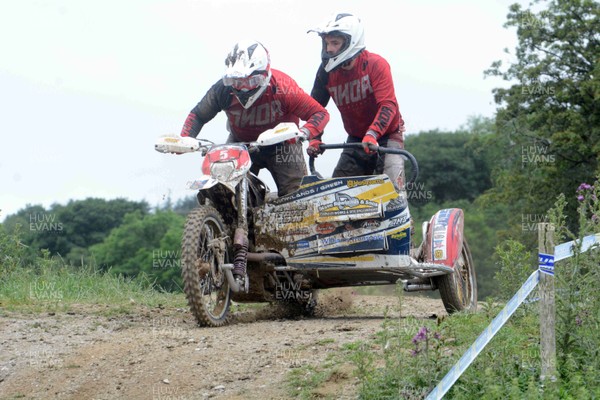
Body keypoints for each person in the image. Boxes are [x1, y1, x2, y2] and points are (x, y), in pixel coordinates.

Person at [180, 39, 329, 197]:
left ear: (264, 74)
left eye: (251, 80)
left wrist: (305, 132)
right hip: (240, 144)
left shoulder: (283, 87)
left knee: (297, 197)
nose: (243, 87)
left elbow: (320, 113)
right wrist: (185, 139)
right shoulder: (222, 89)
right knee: (223, 191)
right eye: (236, 81)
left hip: (284, 144)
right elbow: (198, 115)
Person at [307, 13, 406, 192]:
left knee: (392, 193)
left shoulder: (376, 64)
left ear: (351, 42)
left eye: (335, 43)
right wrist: (315, 138)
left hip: (388, 136)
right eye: (326, 43)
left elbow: (388, 105)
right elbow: (315, 109)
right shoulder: (325, 72)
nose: (329, 49)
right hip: (356, 138)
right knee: (336, 195)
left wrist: (373, 133)